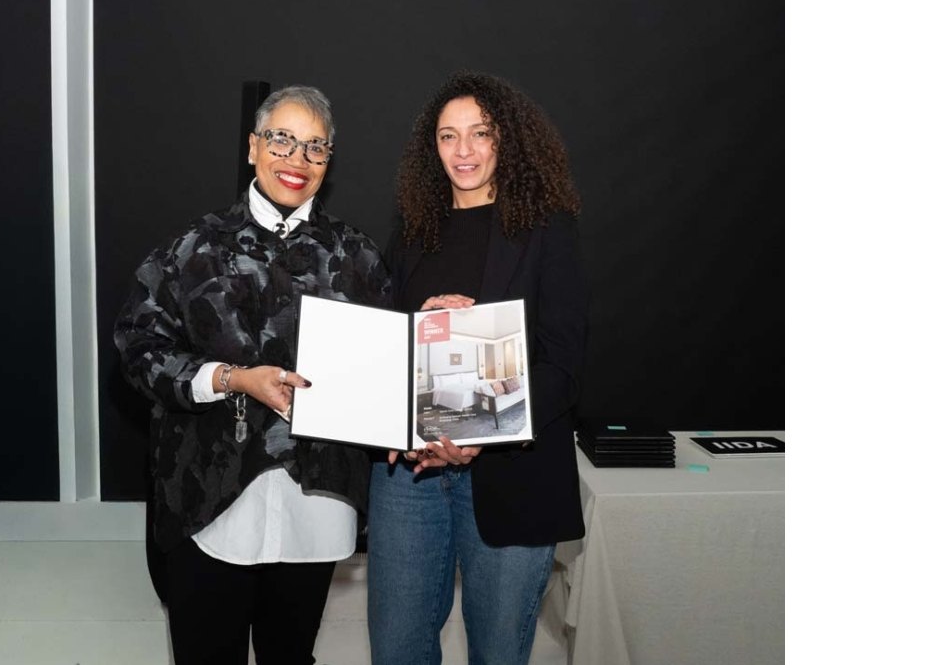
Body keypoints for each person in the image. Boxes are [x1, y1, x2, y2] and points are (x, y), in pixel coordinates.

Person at [115, 85, 391, 664]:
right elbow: (139, 349)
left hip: (316, 505)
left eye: (316, 147)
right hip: (208, 499)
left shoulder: (357, 256)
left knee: (290, 656)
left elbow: (389, 367)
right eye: (282, 139)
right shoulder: (192, 249)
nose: (298, 159)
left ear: (329, 160)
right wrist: (231, 378)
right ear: (252, 147)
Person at [367, 71, 587, 665]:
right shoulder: (413, 234)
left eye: (479, 134)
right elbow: (383, 347)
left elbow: (564, 363)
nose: (463, 151)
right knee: (396, 650)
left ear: (507, 140)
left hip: (512, 474)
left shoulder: (549, 230)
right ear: (430, 148)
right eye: (447, 136)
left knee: (497, 652)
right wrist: (419, 317)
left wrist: (479, 436)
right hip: (407, 475)